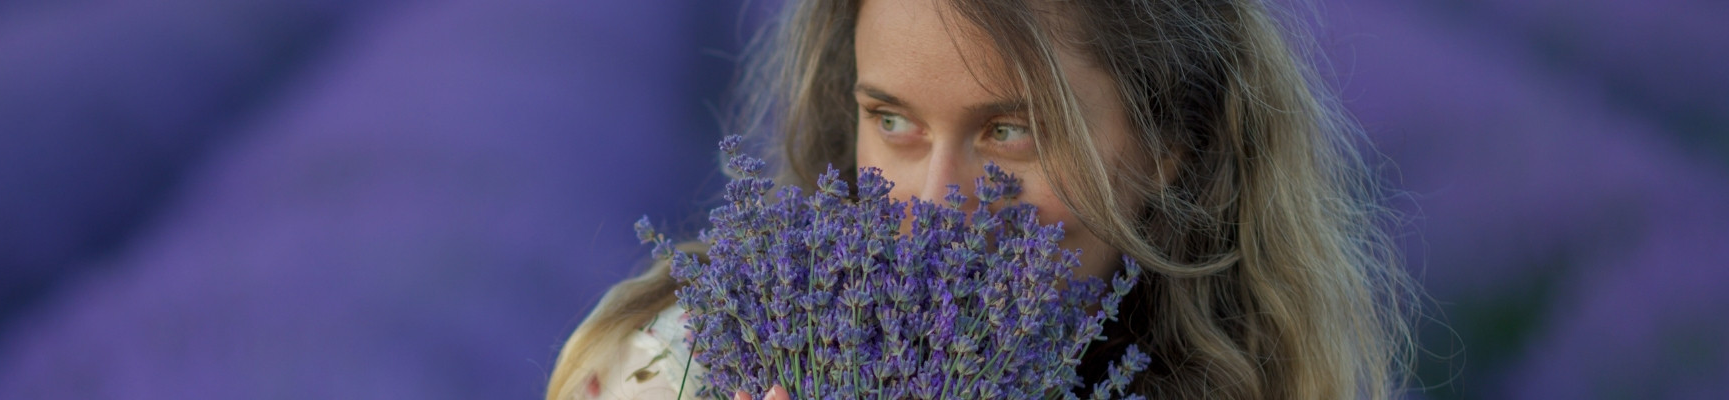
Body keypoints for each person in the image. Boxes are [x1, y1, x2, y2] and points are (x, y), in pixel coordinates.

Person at [549, 0, 1416, 398]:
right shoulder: (662, 366)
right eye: (892, 122)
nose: (932, 208)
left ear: (1165, 147)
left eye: (1013, 132)